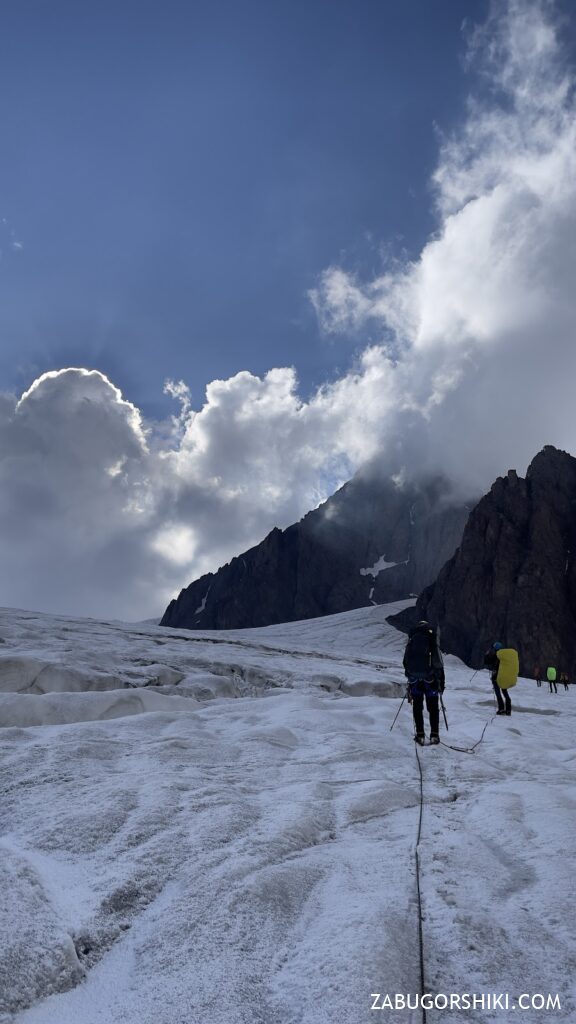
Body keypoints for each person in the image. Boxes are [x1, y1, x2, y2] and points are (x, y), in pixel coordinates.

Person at [403, 620, 445, 745]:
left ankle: (420, 735)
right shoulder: (432, 642)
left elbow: (405, 662)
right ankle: (434, 736)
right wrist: (441, 683)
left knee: (417, 707)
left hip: (415, 681)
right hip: (430, 680)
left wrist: (410, 676)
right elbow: (438, 664)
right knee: (433, 708)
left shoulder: (412, 642)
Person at [483, 642, 518, 715]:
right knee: (505, 692)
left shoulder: (496, 656)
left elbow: (487, 662)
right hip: (504, 678)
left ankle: (501, 709)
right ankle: (508, 710)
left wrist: (487, 655)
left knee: (498, 693)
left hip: (496, 677)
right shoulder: (504, 657)